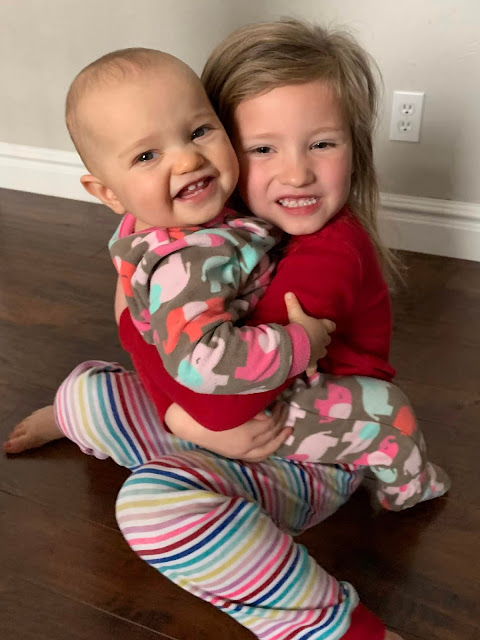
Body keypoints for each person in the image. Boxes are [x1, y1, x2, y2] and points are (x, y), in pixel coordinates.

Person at [4, 18, 449, 638]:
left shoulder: (327, 257)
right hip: (221, 410)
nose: (296, 173)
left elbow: (217, 398)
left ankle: (331, 625)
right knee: (87, 390)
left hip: (304, 446)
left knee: (153, 507)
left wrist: (179, 413)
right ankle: (104, 429)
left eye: (322, 144)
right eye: (263, 148)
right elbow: (141, 321)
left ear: (357, 148)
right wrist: (170, 398)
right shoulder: (212, 216)